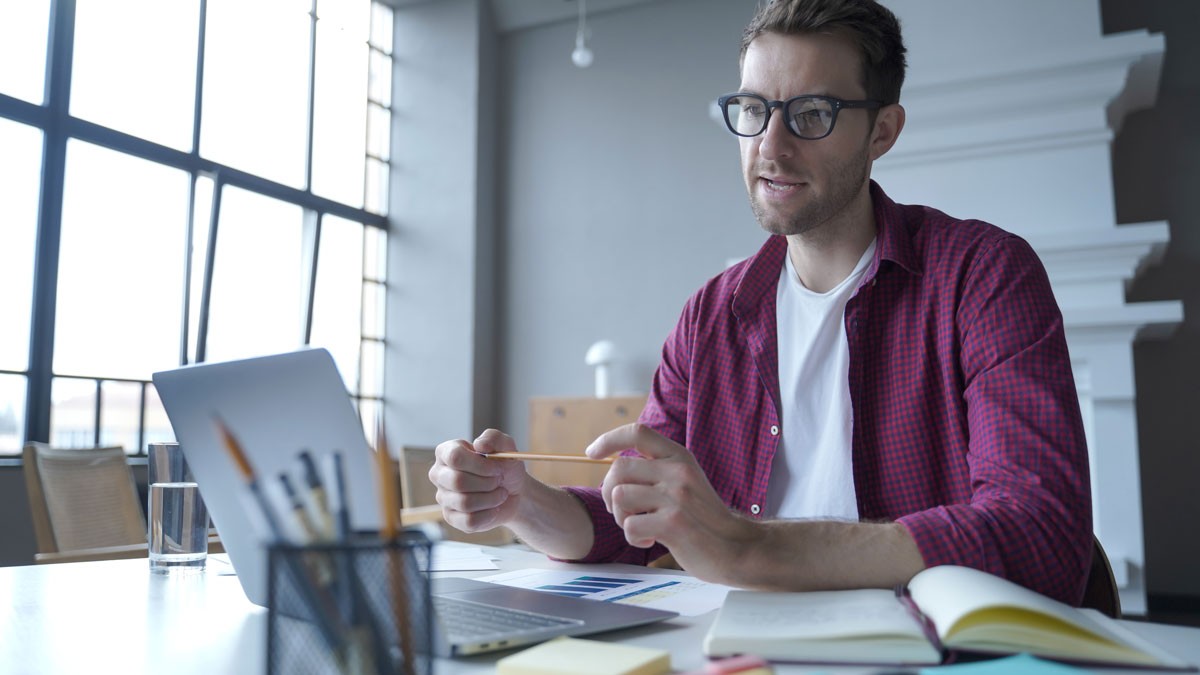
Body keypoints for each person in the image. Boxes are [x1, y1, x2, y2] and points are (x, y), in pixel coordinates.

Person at [429, 0, 1091, 605]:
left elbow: (1043, 534)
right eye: (753, 111)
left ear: (882, 131)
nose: (770, 148)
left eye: (811, 114)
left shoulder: (983, 274)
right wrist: (520, 502)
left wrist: (747, 545)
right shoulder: (709, 316)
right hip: (740, 644)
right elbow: (638, 517)